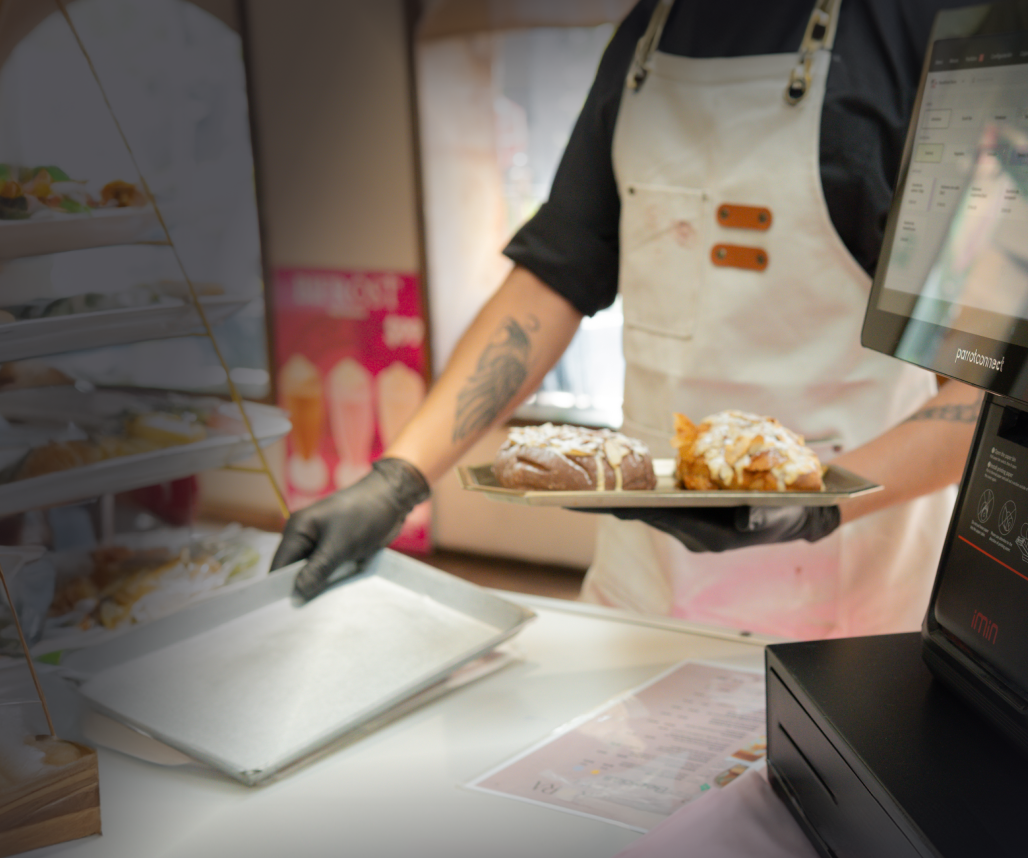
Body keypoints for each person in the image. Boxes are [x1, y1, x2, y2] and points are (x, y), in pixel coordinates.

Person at [271, 0, 987, 639]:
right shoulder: (647, 32)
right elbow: (552, 281)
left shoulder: (921, 29)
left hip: (839, 590)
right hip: (644, 576)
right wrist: (398, 479)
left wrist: (813, 506)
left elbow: (986, 386)